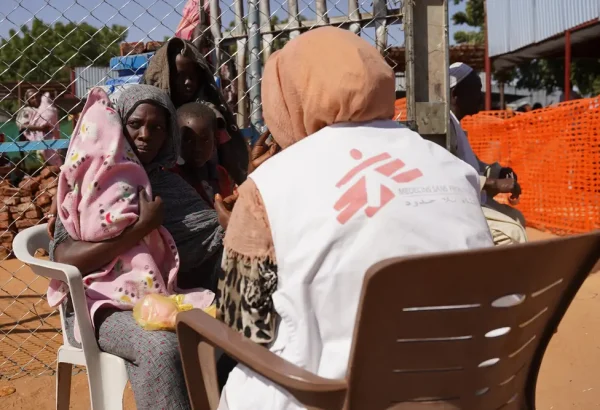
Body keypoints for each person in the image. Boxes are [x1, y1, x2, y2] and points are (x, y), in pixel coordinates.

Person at [214, 27, 494, 409]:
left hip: (325, 397)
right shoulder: (450, 167)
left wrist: (243, 229)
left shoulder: (268, 186)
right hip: (463, 391)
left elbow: (242, 328)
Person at [49, 84, 224, 410]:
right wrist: (141, 228)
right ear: (117, 125)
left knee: (226, 325)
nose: (146, 135)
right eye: (136, 124)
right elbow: (64, 257)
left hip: (159, 297)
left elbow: (207, 237)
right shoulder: (89, 179)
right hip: (97, 309)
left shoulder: (168, 186)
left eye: (157, 127)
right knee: (161, 347)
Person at [142, 38, 248, 186]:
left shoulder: (207, 112)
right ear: (166, 77)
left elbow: (228, 156)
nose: (188, 82)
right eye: (180, 76)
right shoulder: (153, 112)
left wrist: (243, 185)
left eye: (193, 76)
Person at [449, 62, 527, 245]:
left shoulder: (455, 125)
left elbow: (472, 165)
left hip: (472, 199)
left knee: (516, 218)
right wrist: (494, 183)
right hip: (456, 205)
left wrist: (499, 172)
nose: (481, 96)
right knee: (512, 234)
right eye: (476, 90)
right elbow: (449, 175)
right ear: (455, 96)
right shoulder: (445, 127)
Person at [171, 102, 234, 205]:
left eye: (204, 140)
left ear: (215, 141)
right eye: (188, 140)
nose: (197, 148)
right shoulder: (172, 176)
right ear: (176, 140)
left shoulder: (220, 174)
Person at [16, 89, 63, 168]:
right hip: (32, 144)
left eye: (37, 96)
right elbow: (23, 126)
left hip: (50, 140)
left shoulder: (46, 109)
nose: (36, 98)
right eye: (32, 98)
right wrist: (40, 128)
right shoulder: (26, 111)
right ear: (28, 101)